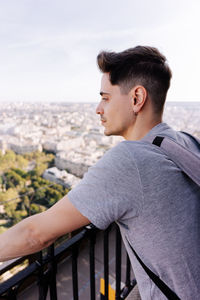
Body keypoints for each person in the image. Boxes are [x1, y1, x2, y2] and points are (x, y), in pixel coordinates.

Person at [0, 46, 199, 300]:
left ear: (137, 98)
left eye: (105, 97)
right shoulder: (185, 141)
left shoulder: (130, 160)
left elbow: (35, 235)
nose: (98, 108)